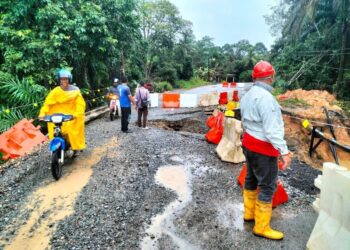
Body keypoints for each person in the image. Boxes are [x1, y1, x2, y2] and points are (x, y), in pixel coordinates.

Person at [240, 60, 292, 240]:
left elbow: (244, 121)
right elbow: (271, 130)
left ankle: (249, 214)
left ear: (255, 77)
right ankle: (261, 227)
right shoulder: (267, 99)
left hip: (248, 143)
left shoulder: (247, 95)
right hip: (263, 147)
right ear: (270, 78)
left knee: (251, 178)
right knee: (268, 186)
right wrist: (284, 151)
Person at [39, 69, 86, 154]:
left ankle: (75, 148)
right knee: (55, 130)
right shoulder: (55, 91)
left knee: (72, 130)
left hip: (71, 116)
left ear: (69, 80)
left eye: (65, 79)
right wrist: (42, 114)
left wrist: (76, 114)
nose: (63, 81)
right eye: (62, 79)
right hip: (58, 115)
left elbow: (80, 104)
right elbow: (47, 103)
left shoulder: (75, 90)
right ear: (59, 80)